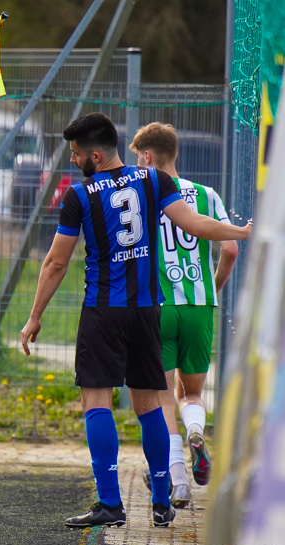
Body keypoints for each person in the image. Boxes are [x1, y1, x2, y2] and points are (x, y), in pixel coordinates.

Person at [20, 112, 251, 529]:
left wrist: (35, 316)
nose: (73, 161)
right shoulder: (152, 180)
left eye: (75, 154)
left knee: (96, 400)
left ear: (94, 155)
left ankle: (110, 503)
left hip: (103, 311)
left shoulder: (80, 195)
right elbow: (195, 224)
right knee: (148, 405)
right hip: (148, 312)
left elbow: (56, 262)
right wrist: (242, 232)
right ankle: (162, 500)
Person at [129, 122, 238, 507]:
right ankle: (197, 432)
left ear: (147, 157)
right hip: (199, 305)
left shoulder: (142, 194)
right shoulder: (207, 195)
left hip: (158, 307)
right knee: (192, 392)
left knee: (162, 397)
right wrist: (213, 289)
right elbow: (229, 251)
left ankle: (178, 481)